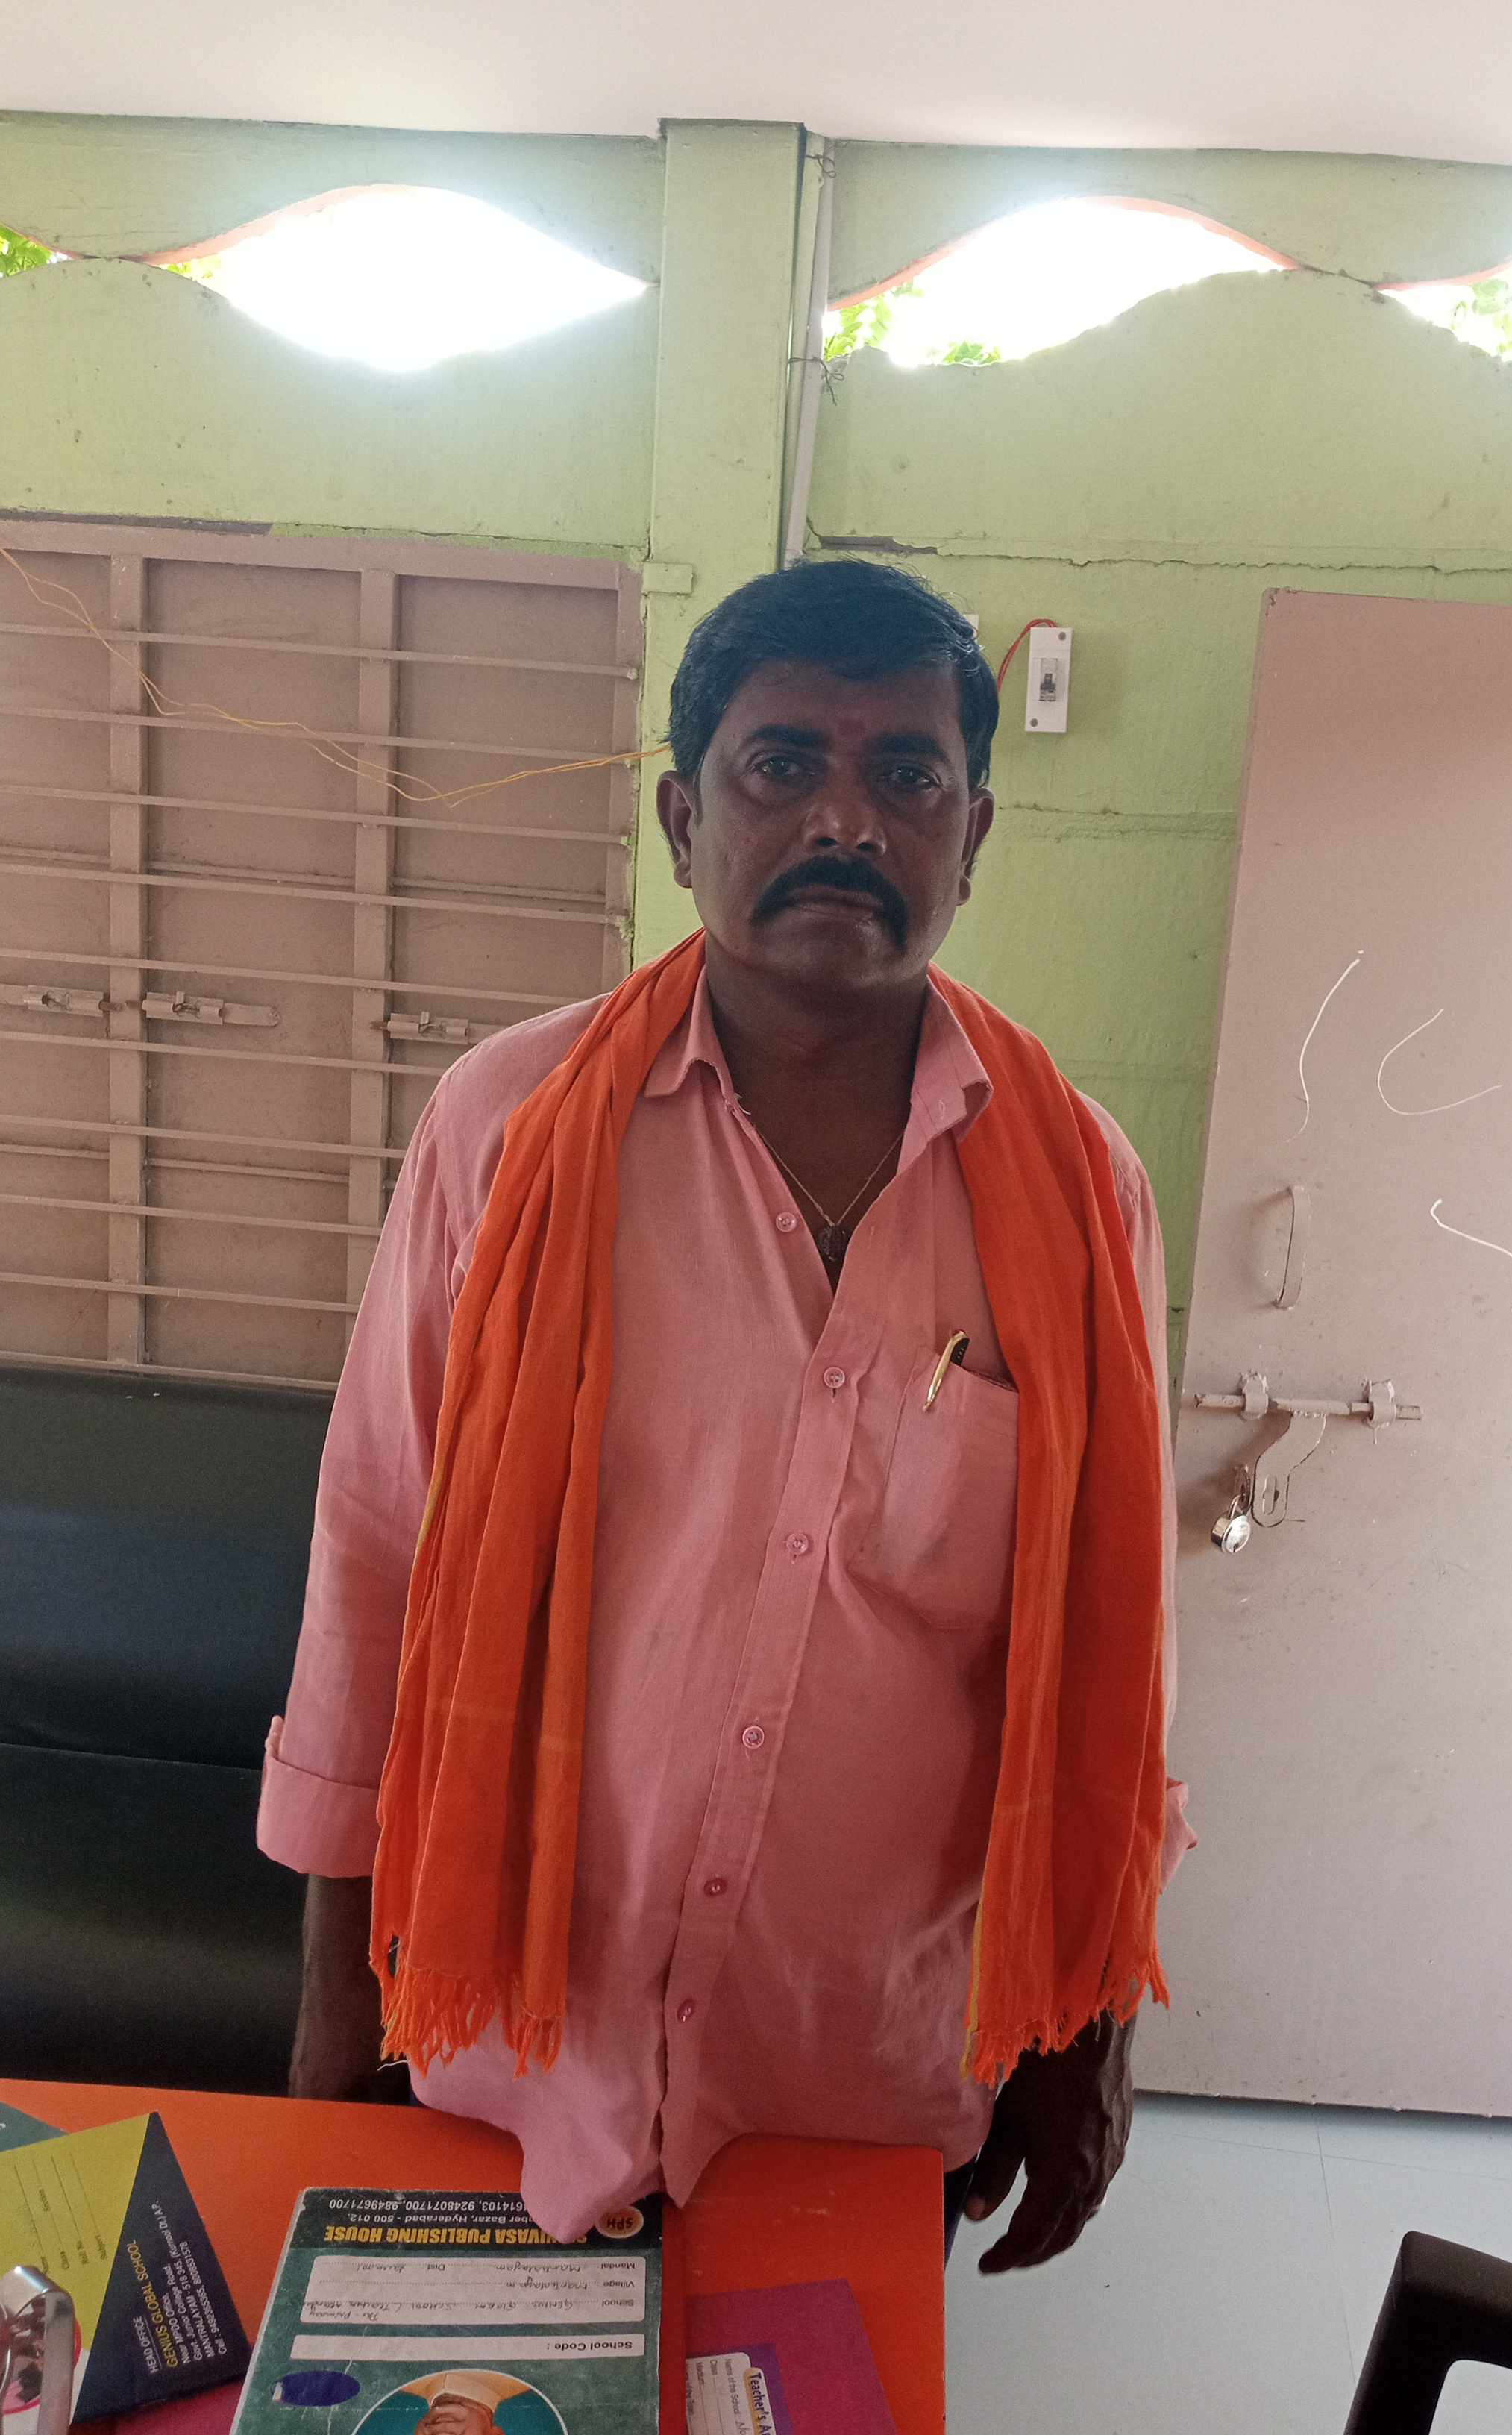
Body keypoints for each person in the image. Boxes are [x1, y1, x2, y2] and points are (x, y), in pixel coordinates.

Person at [258, 558, 1191, 2272]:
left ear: (973, 835)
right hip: (522, 2049)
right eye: (783, 766)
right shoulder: (508, 1128)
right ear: (686, 821)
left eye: (905, 773)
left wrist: (1087, 2030)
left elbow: (1113, 1628)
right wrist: (337, 2008)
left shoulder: (1079, 1189)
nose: (846, 819)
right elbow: (376, 1545)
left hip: (862, 2066)